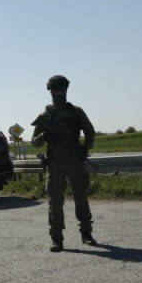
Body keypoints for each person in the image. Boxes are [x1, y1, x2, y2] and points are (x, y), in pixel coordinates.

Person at [31, 75, 98, 252]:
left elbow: (90, 132)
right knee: (55, 201)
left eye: (62, 89)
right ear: (51, 92)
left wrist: (85, 148)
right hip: (55, 164)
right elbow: (35, 142)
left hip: (75, 161)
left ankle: (86, 233)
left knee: (81, 197)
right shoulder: (45, 116)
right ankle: (57, 238)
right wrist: (44, 135)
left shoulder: (76, 112)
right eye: (56, 90)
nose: (59, 93)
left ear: (66, 90)